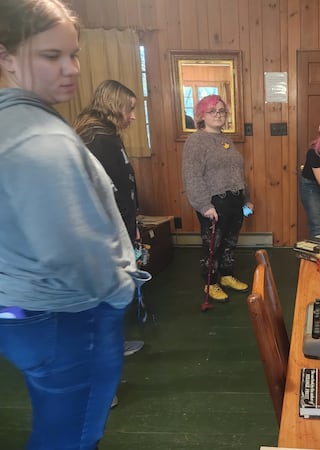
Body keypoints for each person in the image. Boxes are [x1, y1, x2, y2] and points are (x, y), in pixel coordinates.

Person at [0, 1, 150, 449]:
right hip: (67, 316)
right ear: (7, 58)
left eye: (74, 54)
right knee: (72, 436)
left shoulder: (14, 121)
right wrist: (118, 288)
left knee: (56, 426)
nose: (71, 69)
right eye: (51, 56)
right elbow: (69, 247)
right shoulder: (42, 138)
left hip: (21, 311)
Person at [73, 80, 146, 407]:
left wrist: (134, 223)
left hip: (114, 230)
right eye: (129, 109)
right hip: (101, 236)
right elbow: (103, 194)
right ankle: (98, 387)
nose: (132, 117)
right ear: (114, 106)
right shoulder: (98, 139)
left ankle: (114, 344)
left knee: (112, 296)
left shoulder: (104, 135)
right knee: (102, 302)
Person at [182, 94, 253, 302]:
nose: (218, 115)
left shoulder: (225, 139)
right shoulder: (195, 141)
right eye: (212, 111)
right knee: (213, 245)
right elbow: (192, 176)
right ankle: (211, 283)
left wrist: (246, 198)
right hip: (214, 203)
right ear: (201, 115)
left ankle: (227, 276)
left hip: (235, 200)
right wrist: (204, 205)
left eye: (222, 111)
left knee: (230, 242)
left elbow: (236, 172)